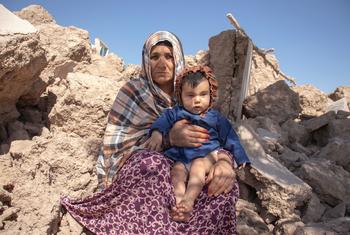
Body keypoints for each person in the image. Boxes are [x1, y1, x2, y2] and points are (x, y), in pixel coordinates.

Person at [61, 31, 240, 234]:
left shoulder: (195, 94)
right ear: (146, 60)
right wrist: (169, 139)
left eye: (169, 56)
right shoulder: (133, 92)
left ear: (178, 59)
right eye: (154, 56)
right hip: (158, 166)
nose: (162, 63)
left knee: (223, 185)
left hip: (198, 164)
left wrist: (225, 162)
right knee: (151, 166)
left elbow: (221, 137)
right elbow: (119, 149)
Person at [145, 65, 250, 222]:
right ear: (180, 96)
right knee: (177, 172)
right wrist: (157, 134)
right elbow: (162, 122)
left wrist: (241, 157)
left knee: (198, 168)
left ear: (211, 94)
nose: (197, 100)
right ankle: (180, 205)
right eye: (190, 95)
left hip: (206, 155)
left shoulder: (215, 118)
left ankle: (189, 200)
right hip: (181, 157)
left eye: (203, 94)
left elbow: (230, 137)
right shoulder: (175, 112)